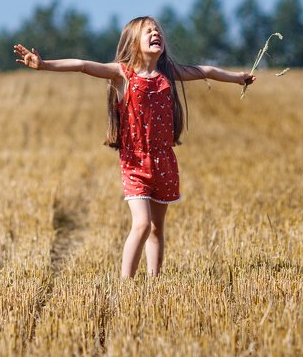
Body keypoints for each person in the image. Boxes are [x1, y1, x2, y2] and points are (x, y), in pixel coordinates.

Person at [13, 16, 254, 279]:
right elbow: (82, 65)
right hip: (134, 163)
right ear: (133, 42)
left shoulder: (169, 74)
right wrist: (45, 65)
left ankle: (154, 281)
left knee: (156, 229)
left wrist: (238, 78)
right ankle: (125, 285)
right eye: (148, 31)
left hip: (164, 162)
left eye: (158, 31)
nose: (155, 34)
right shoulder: (122, 74)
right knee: (141, 224)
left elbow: (207, 71)